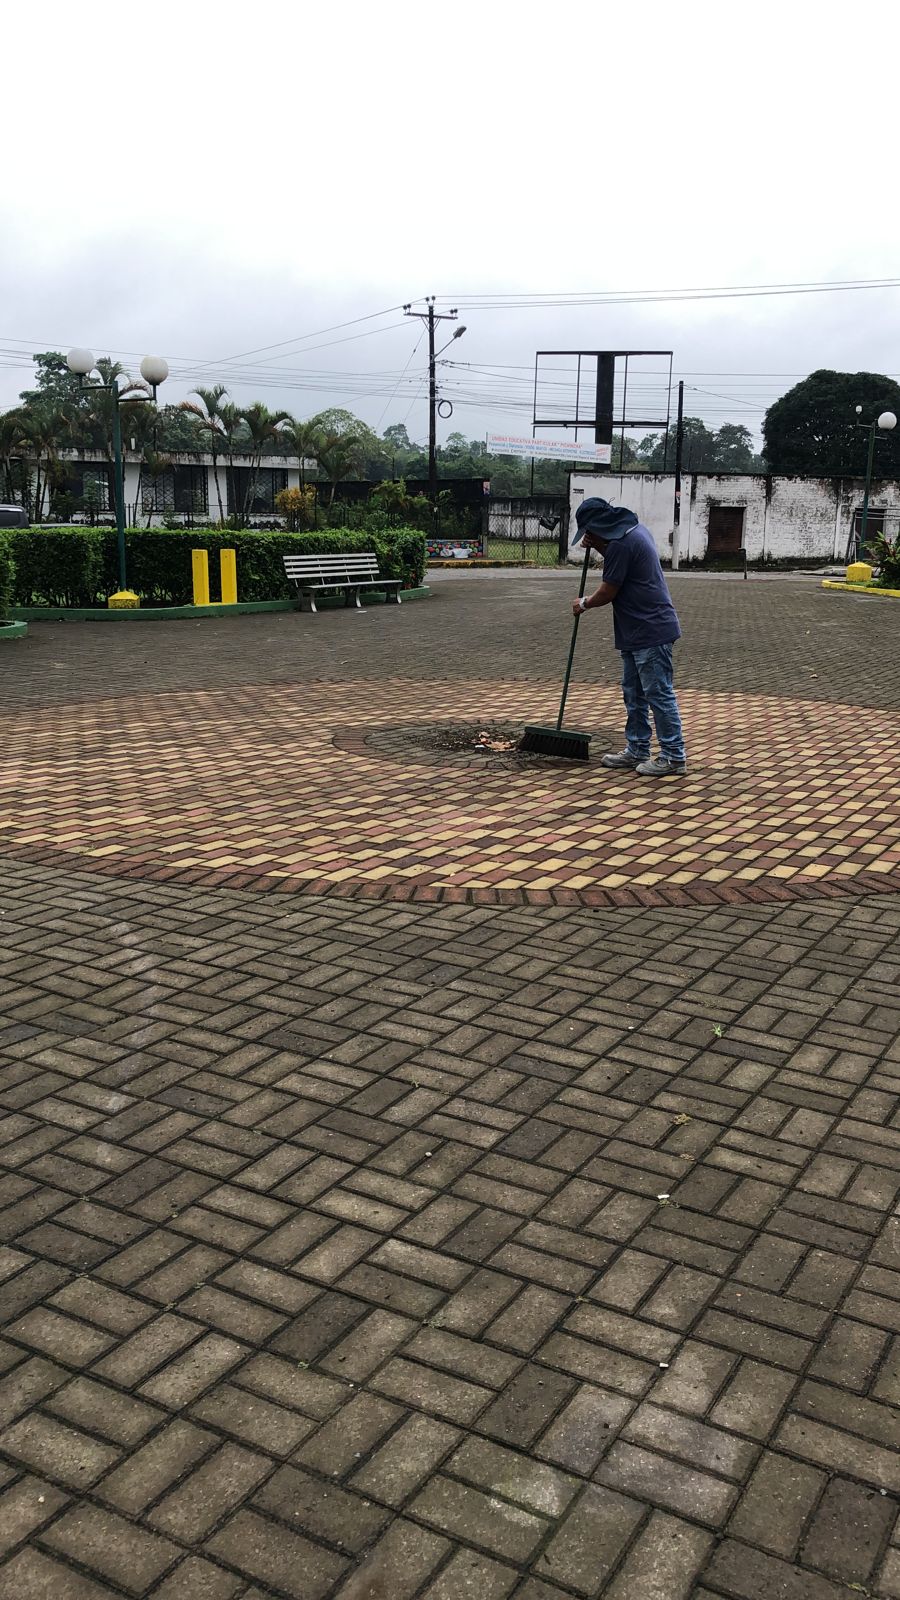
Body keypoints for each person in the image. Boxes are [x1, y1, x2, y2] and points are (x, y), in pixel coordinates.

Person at [571, 496, 686, 777]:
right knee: (634, 693)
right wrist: (598, 545)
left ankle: (673, 757)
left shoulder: (621, 545)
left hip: (650, 630)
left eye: (589, 530)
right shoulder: (632, 531)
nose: (588, 536)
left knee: (658, 694)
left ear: (598, 527)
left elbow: (608, 591)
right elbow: (619, 565)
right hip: (636, 630)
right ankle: (637, 748)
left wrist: (584, 603)